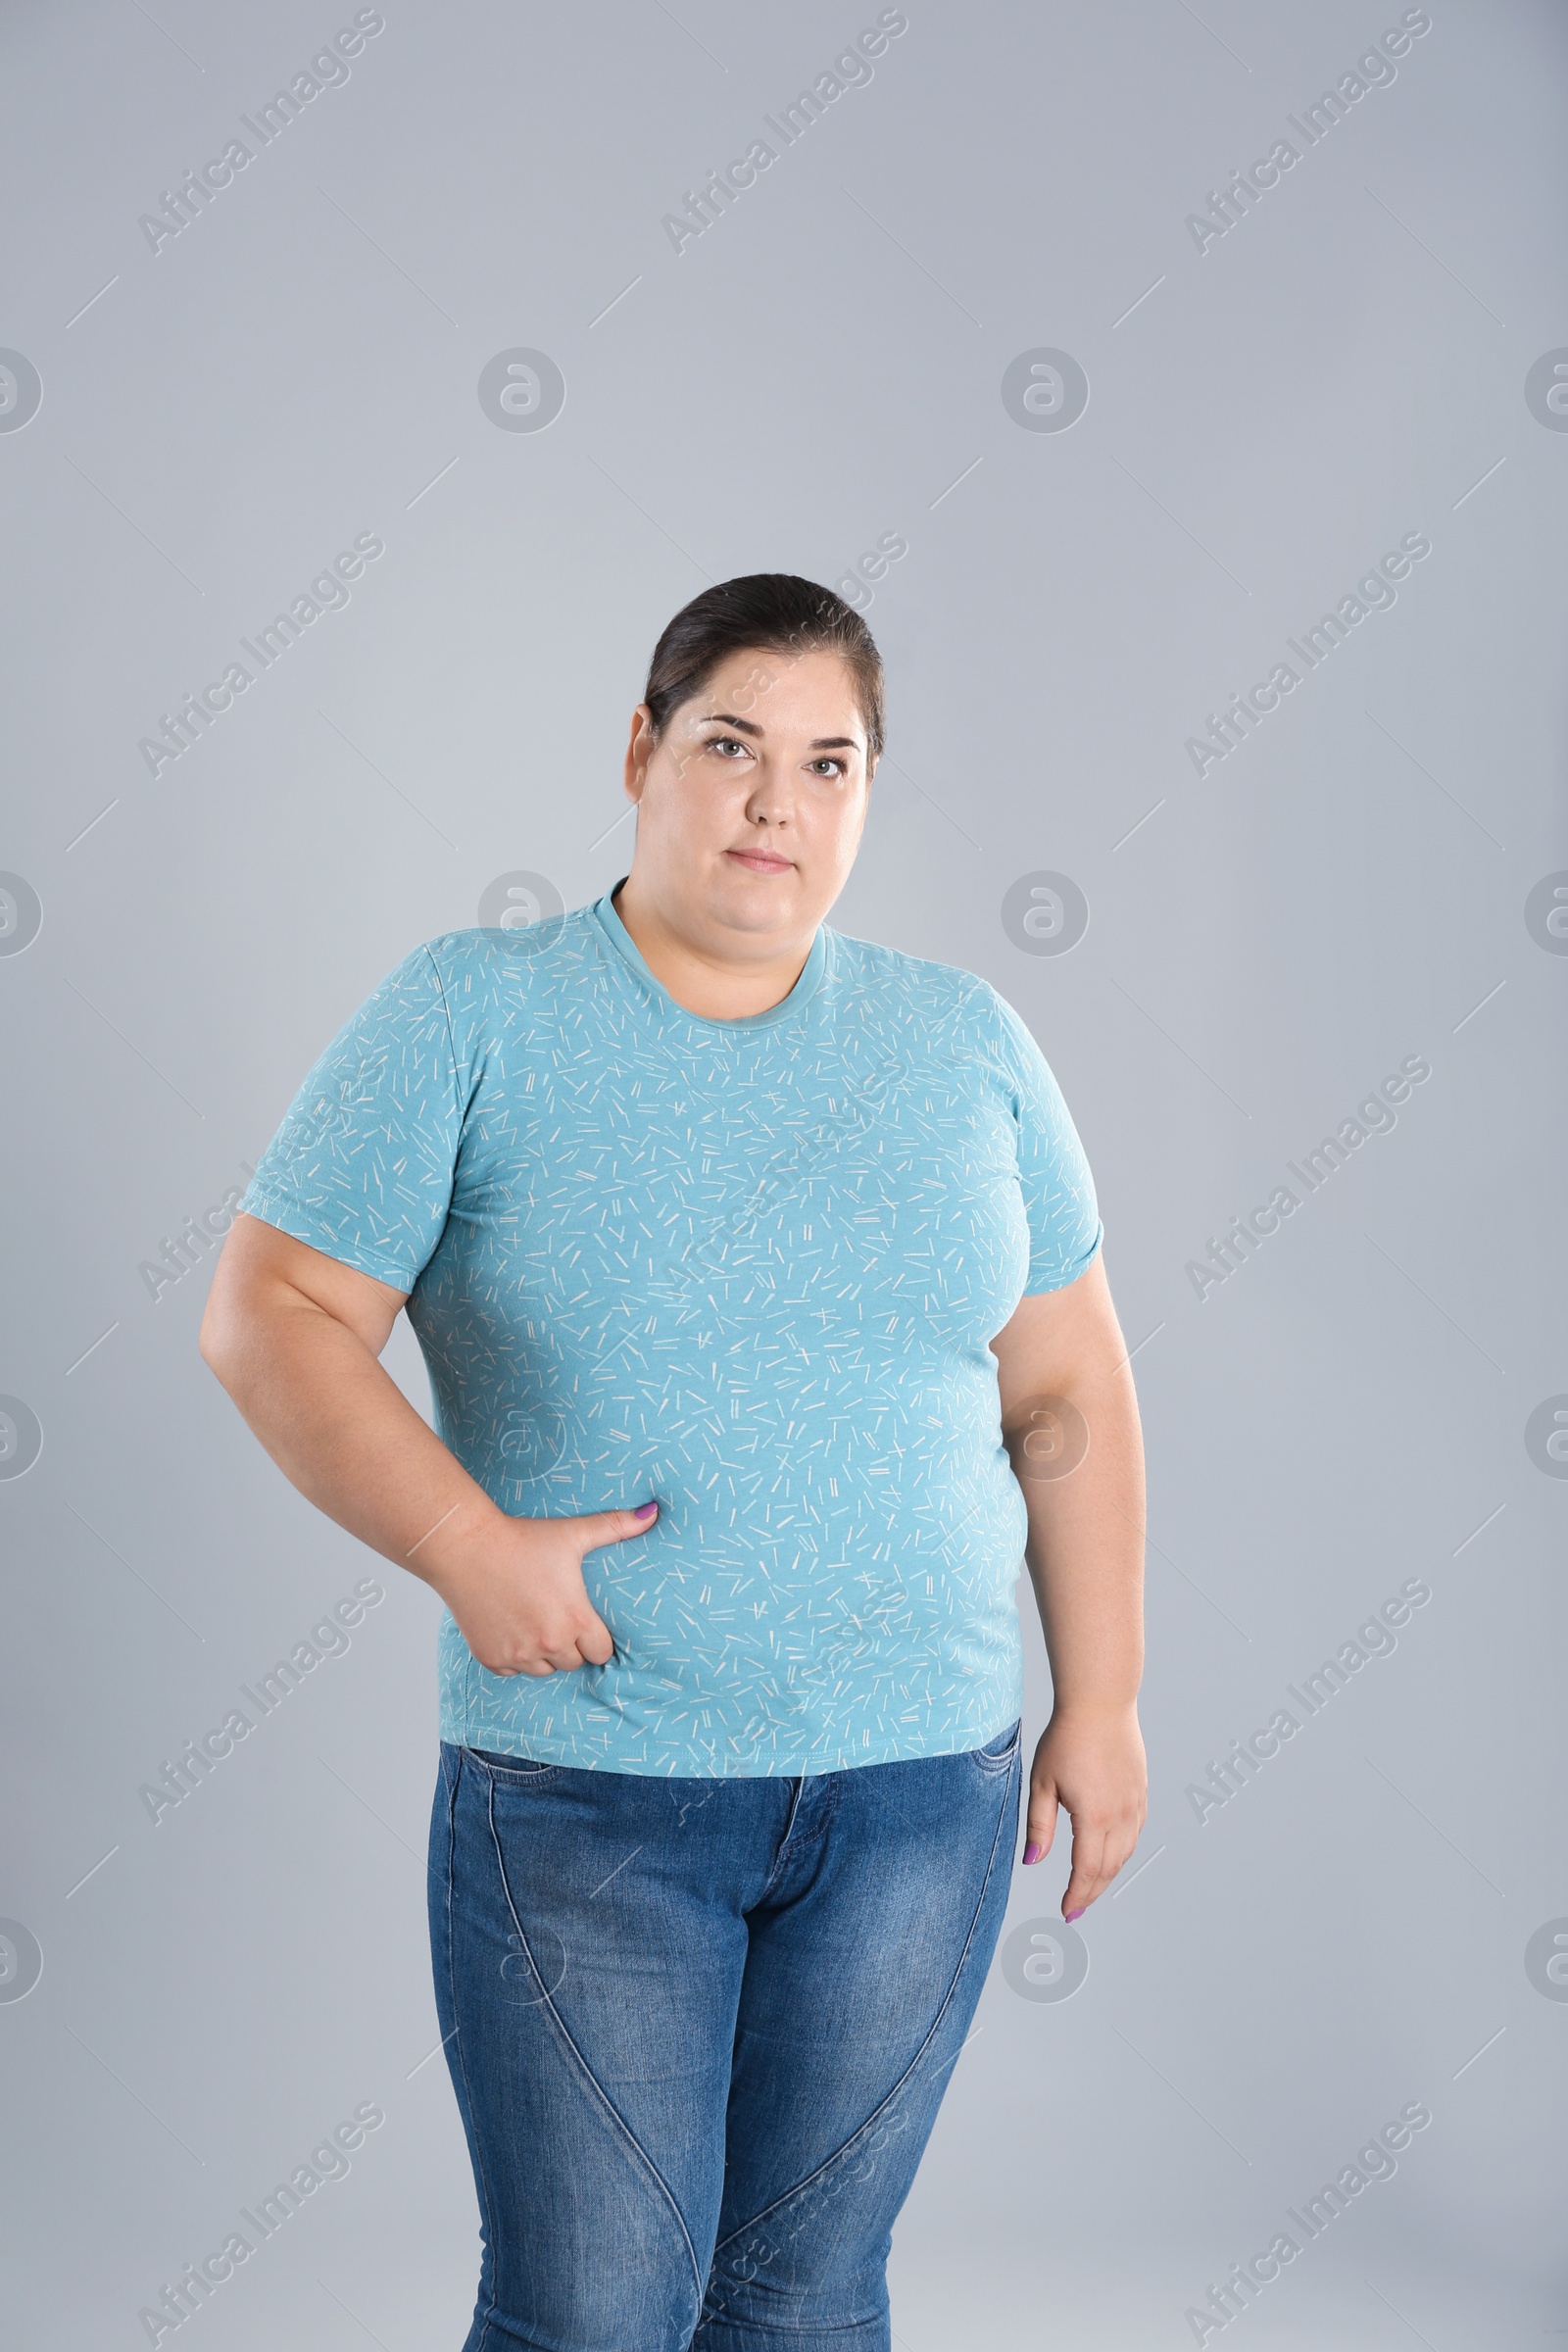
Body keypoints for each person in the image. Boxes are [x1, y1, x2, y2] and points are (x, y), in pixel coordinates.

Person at [199, 573, 1148, 2352]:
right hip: (591, 1799)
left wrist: (1103, 1700)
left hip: (921, 1793)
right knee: (594, 2312)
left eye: (828, 761)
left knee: (803, 2306)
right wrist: (464, 1543)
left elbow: (1068, 1387)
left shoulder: (963, 1044)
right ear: (641, 752)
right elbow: (270, 1316)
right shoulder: (473, 1012)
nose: (776, 802)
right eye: (730, 744)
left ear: (869, 796)